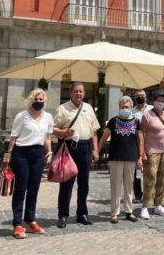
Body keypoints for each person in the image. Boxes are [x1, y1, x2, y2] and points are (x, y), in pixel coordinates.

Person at [3, 88, 53, 239]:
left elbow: (47, 136)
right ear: (31, 100)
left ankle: (30, 220)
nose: (38, 102)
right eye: (36, 99)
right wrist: (8, 156)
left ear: (45, 101)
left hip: (38, 154)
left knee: (34, 189)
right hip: (21, 153)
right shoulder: (22, 116)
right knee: (21, 188)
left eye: (41, 99)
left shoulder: (48, 117)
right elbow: (13, 136)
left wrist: (49, 152)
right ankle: (17, 224)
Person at [53, 82, 100, 228]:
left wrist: (95, 149)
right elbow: (53, 128)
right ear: (70, 93)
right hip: (69, 147)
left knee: (84, 184)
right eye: (75, 91)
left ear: (84, 93)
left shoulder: (89, 108)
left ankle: (82, 214)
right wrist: (64, 133)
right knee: (67, 183)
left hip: (86, 147)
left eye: (81, 91)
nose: (78, 94)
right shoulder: (62, 109)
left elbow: (94, 131)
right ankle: (63, 215)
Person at [97, 96, 144, 224]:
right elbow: (103, 138)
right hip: (115, 157)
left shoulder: (136, 121)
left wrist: (141, 156)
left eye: (127, 107)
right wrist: (97, 151)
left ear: (131, 108)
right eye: (122, 107)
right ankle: (114, 213)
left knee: (129, 186)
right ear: (119, 107)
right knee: (115, 186)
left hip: (131, 157)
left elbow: (140, 140)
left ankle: (129, 211)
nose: (125, 109)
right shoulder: (113, 121)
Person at [140, 91, 164, 219]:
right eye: (158, 100)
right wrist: (142, 152)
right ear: (153, 101)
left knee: (163, 178)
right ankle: (145, 206)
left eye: (163, 101)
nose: (161, 103)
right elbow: (142, 133)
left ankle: (159, 205)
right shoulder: (147, 115)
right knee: (150, 178)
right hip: (152, 151)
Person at [131, 90, 153, 204]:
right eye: (138, 96)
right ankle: (138, 194)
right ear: (135, 98)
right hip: (136, 143)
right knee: (137, 170)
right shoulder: (131, 111)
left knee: (151, 170)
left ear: (146, 97)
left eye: (142, 96)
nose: (140, 97)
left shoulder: (152, 109)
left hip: (151, 143)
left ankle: (150, 193)